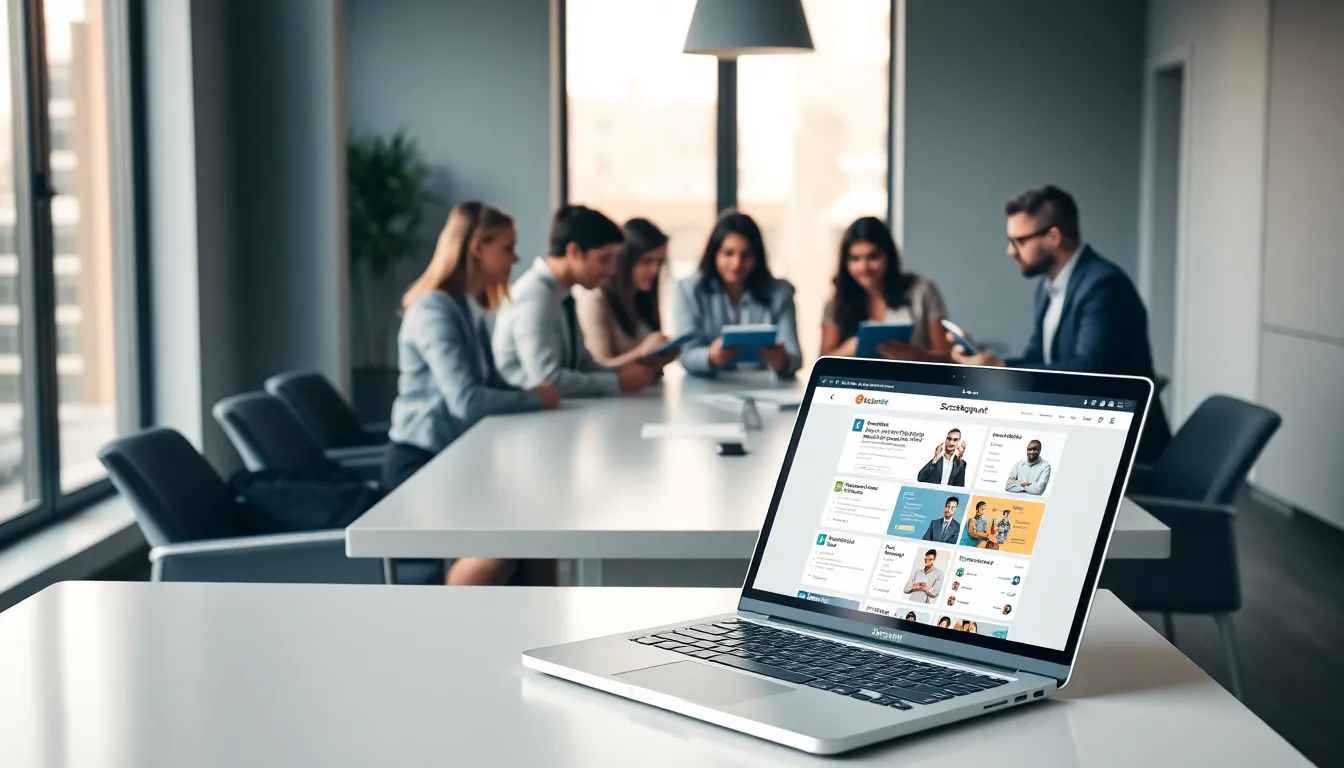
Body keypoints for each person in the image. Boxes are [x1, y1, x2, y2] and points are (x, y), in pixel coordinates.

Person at [385, 202, 561, 586]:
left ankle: (532, 636)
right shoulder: (434, 310)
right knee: (503, 550)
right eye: (507, 247)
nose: (515, 257)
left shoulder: (466, 305)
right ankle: (447, 631)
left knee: (542, 528)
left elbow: (493, 386)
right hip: (422, 465)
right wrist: (535, 399)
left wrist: (536, 396)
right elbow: (467, 401)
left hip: (458, 460)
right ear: (478, 247)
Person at [948, 185, 1171, 461]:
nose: (1010, 251)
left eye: (1019, 240)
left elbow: (1088, 372)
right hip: (1083, 433)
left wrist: (1001, 368)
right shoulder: (1049, 286)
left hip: (1123, 448)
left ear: (1053, 236)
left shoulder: (1103, 286)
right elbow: (1036, 357)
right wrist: (987, 358)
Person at [494, 205, 666, 397]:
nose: (612, 270)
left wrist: (629, 372)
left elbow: (583, 366)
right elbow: (547, 379)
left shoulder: (562, 295)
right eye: (604, 259)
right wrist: (617, 382)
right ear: (574, 252)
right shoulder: (535, 295)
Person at [675, 210, 801, 378]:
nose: (736, 264)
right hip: (707, 387)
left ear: (757, 257)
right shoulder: (690, 290)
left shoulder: (780, 293)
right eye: (728, 253)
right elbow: (686, 355)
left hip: (765, 386)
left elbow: (795, 357)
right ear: (714, 254)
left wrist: (783, 361)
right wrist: (710, 356)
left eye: (746, 255)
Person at [820, 216, 952, 360]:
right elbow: (821, 360)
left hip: (912, 379)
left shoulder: (922, 291)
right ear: (845, 263)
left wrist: (914, 355)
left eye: (873, 256)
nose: (864, 267)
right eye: (855, 258)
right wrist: (848, 349)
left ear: (888, 256)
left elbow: (945, 357)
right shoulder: (837, 301)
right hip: (861, 381)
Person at [575, 217, 671, 367]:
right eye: (646, 261)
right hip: (614, 391)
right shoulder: (596, 299)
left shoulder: (642, 297)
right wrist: (641, 353)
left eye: (660, 262)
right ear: (625, 260)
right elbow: (598, 366)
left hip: (647, 389)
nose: (655, 270)